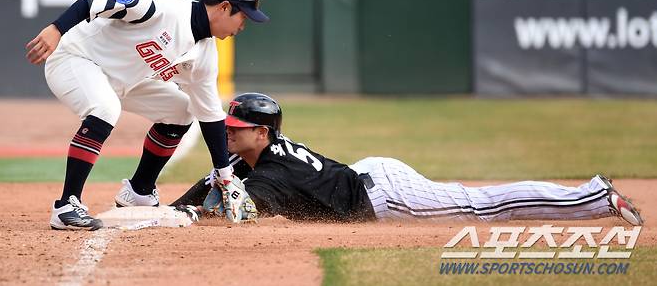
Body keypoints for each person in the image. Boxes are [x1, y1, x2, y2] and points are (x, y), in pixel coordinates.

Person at [172, 93, 644, 226]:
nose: (227, 134)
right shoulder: (258, 155)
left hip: (387, 198)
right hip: (369, 173)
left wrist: (194, 216)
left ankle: (593, 196)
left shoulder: (272, 172)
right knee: (475, 202)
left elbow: (240, 213)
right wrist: (177, 207)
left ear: (261, 132)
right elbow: (216, 180)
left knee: (480, 206)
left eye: (235, 129)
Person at [26, 0, 269, 230]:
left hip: (123, 80)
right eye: (243, 15)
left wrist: (225, 174)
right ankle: (66, 205)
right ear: (224, 7)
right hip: (74, 58)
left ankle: (139, 191)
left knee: (180, 110)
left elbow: (210, 115)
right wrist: (56, 29)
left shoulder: (204, 55)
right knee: (106, 108)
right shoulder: (163, 7)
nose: (244, 25)